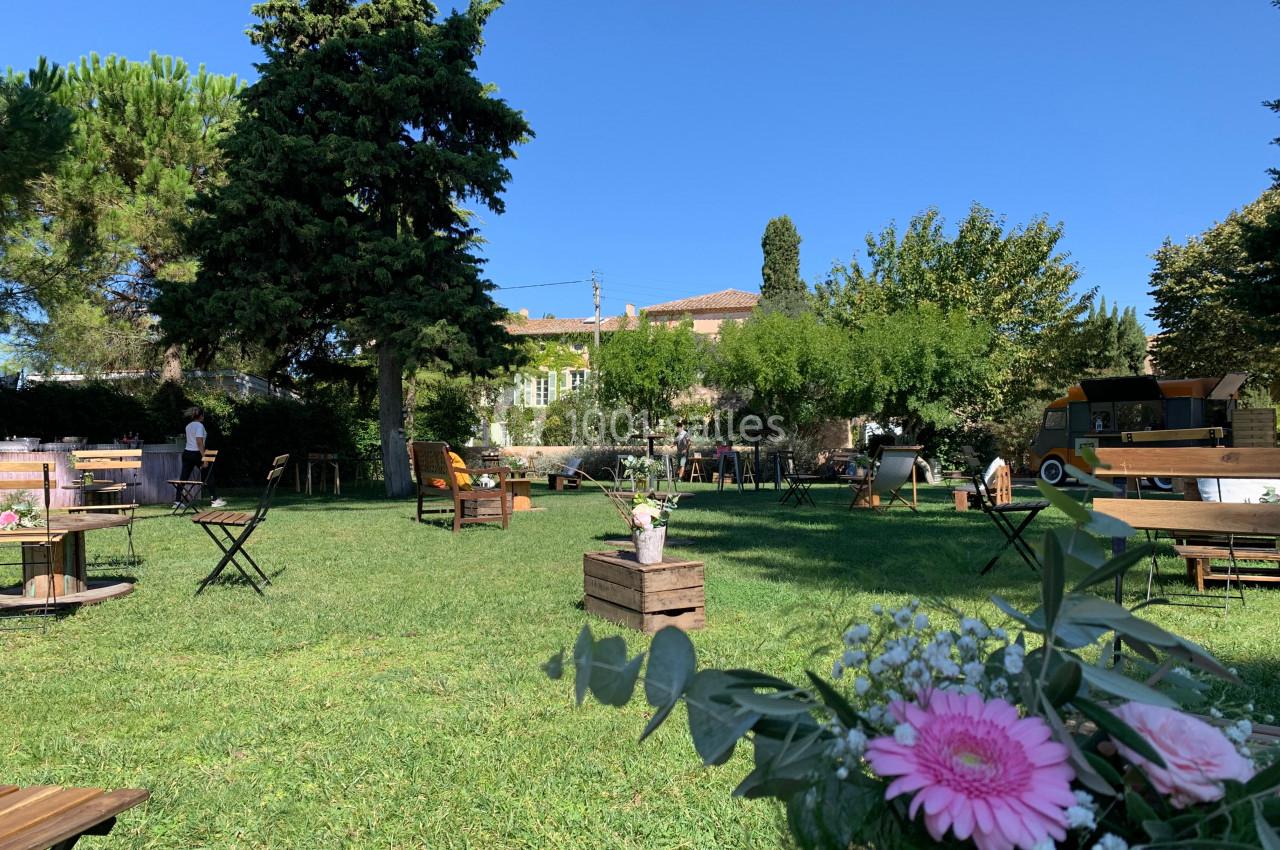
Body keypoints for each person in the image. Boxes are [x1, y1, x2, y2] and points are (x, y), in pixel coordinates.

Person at [175, 406, 225, 508]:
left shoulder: (188, 426)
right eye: (203, 415)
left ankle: (177, 501)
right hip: (197, 454)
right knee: (208, 475)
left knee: (183, 477)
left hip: (187, 453)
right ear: (201, 416)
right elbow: (199, 442)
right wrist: (204, 458)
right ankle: (215, 500)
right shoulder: (199, 426)